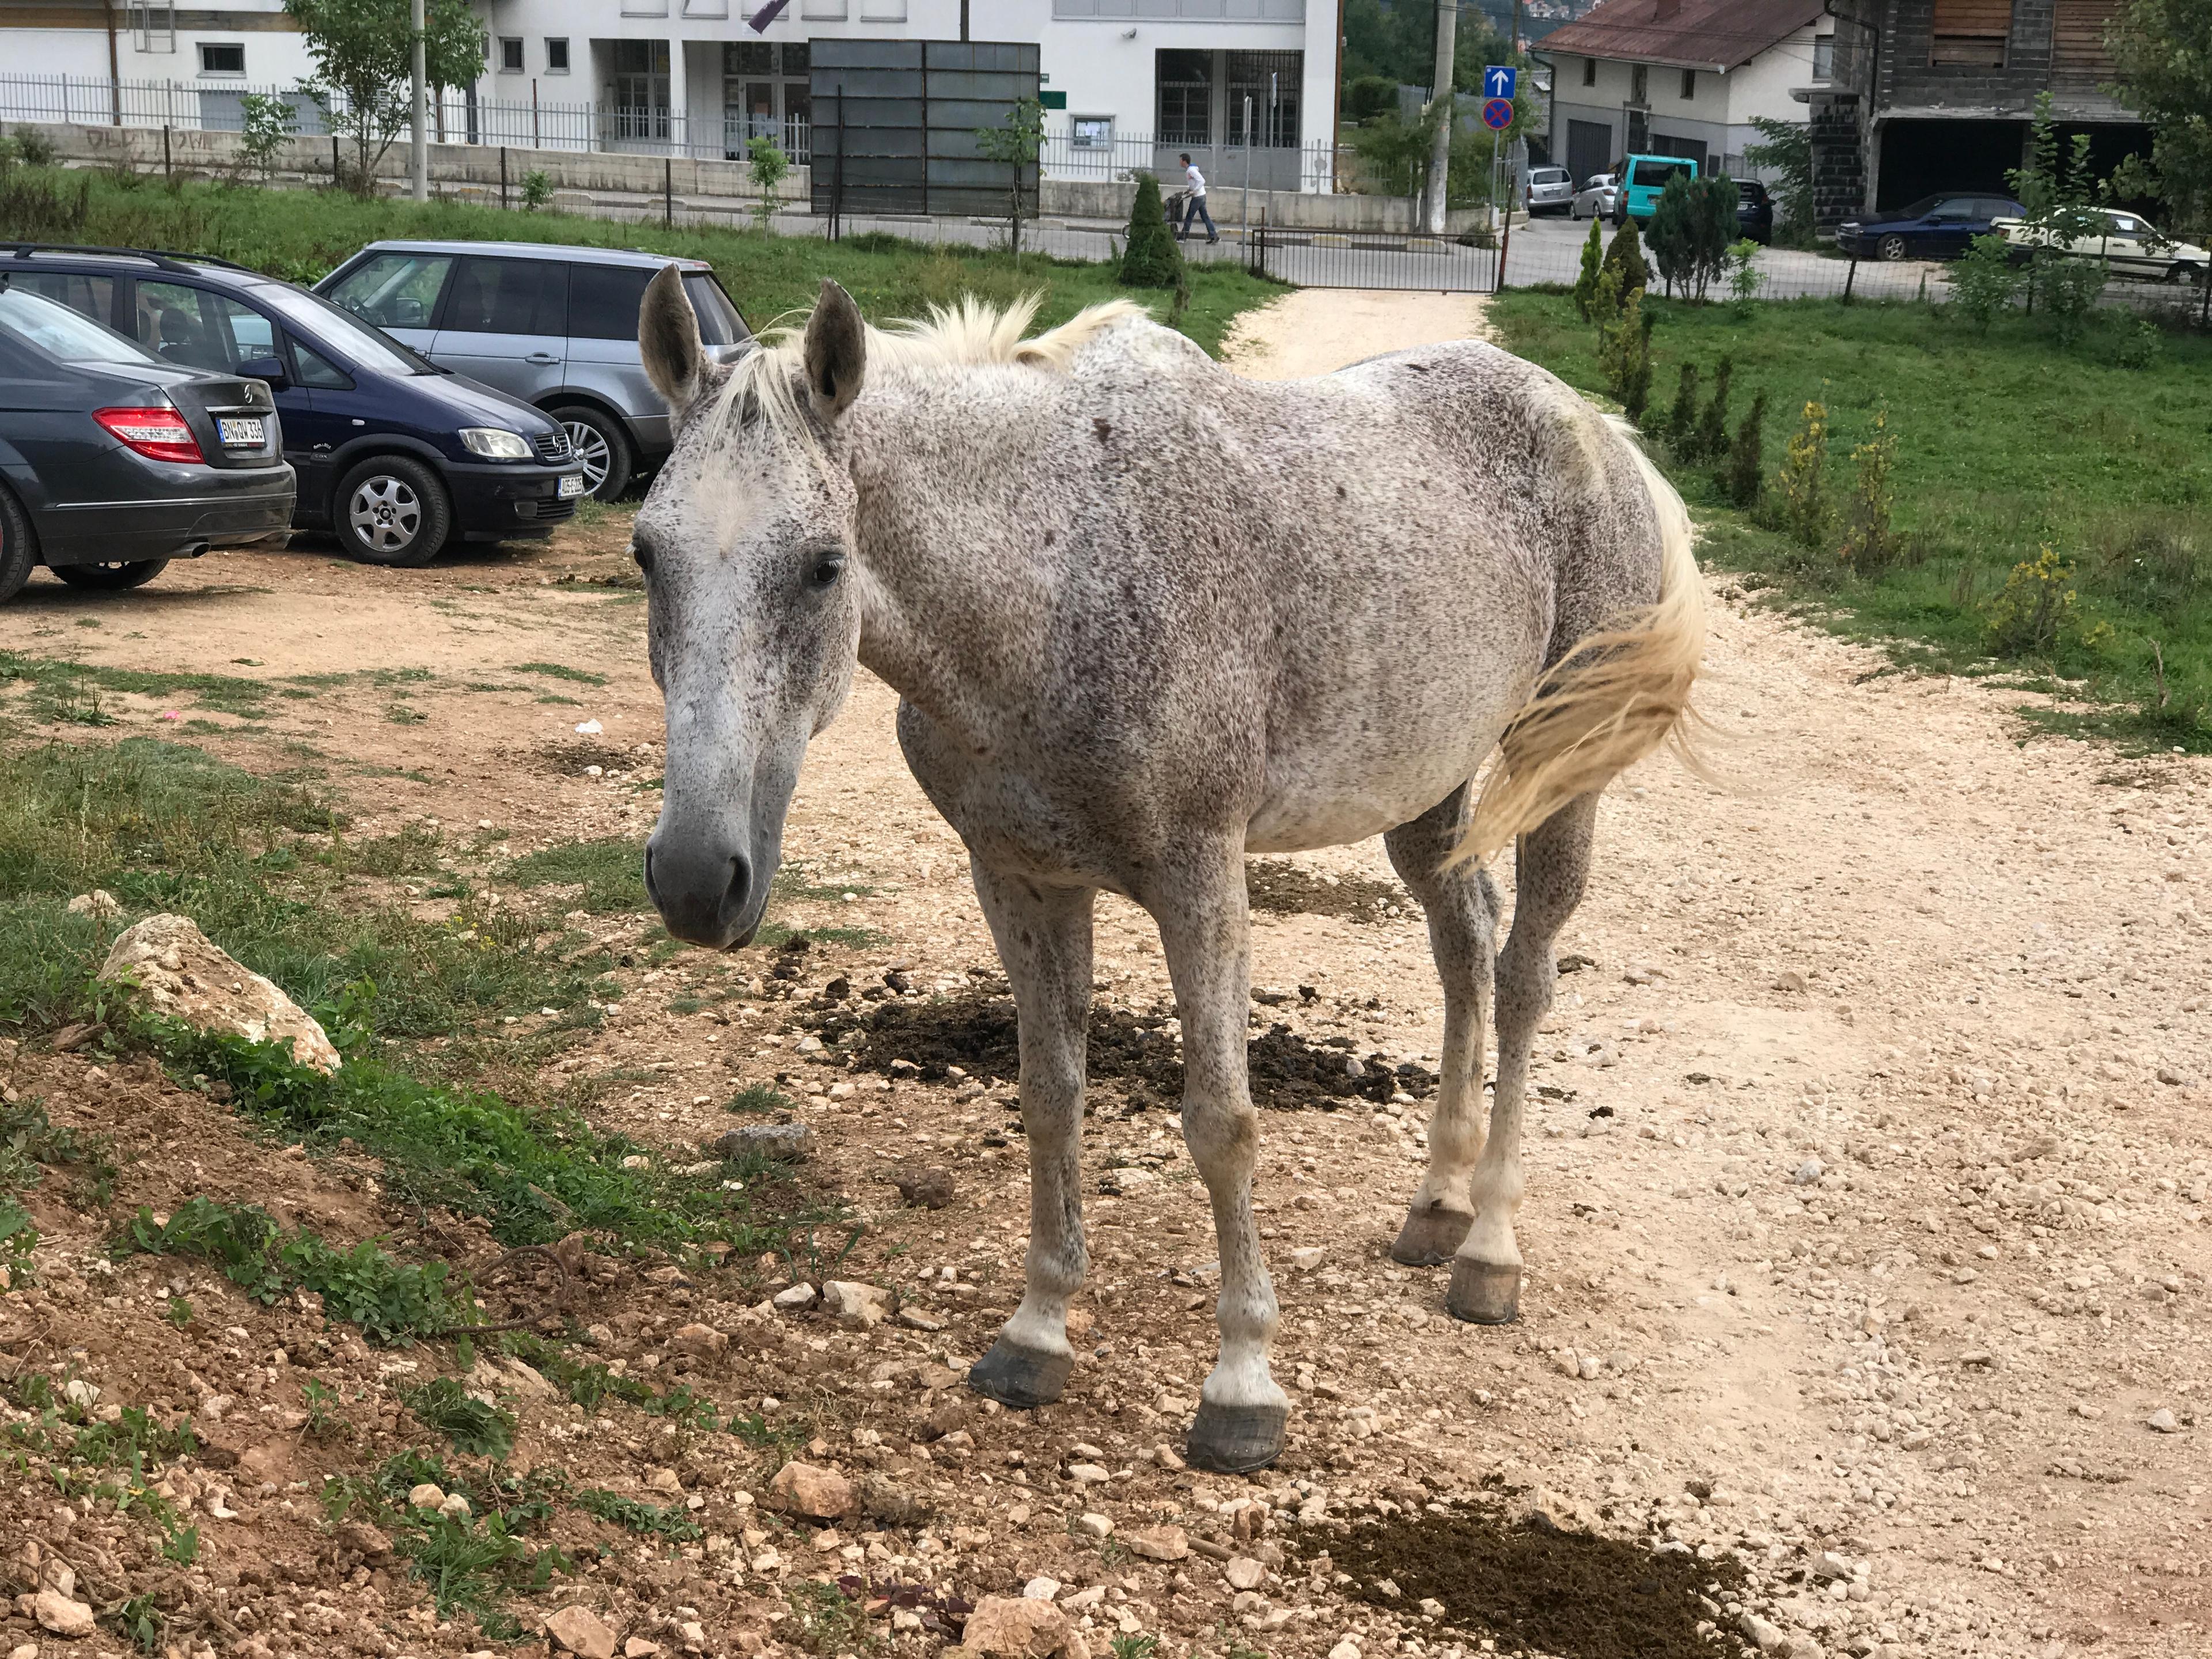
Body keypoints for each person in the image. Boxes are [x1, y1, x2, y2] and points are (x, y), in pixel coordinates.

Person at [1177, 153, 1218, 244]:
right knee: (1205, 217)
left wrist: (1194, 191)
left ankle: (1183, 237)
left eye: (1181, 160)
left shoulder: (1191, 170)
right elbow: (1195, 182)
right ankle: (1214, 236)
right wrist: (1190, 190)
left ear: (1184, 161)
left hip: (1198, 197)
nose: (1180, 162)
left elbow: (1202, 181)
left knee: (1189, 217)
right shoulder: (1191, 170)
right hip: (1202, 196)